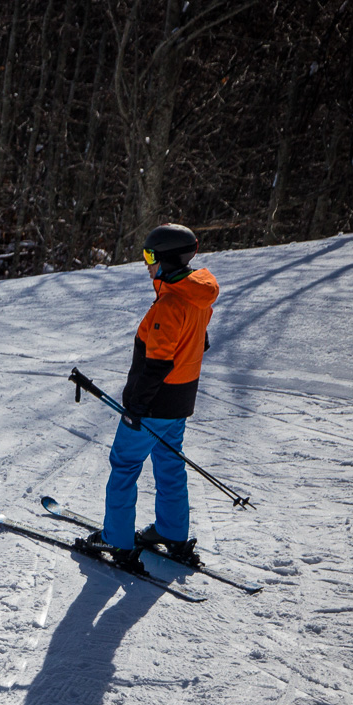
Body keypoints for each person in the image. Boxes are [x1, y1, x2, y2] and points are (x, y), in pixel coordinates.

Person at [78, 223, 219, 575]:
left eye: (149, 256)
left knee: (125, 465)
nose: (146, 263)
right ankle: (172, 533)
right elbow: (200, 344)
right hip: (180, 403)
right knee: (170, 465)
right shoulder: (197, 298)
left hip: (154, 405)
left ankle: (117, 540)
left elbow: (156, 365)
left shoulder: (170, 304)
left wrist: (136, 408)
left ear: (167, 259)